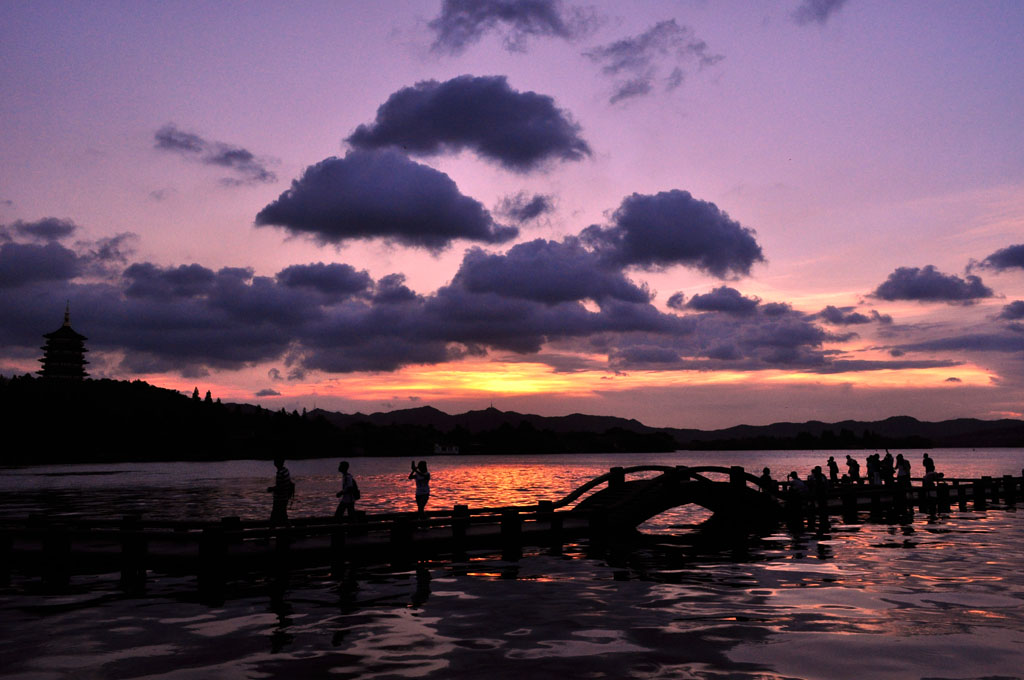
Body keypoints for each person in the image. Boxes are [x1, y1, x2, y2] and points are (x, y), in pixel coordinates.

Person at [267, 458, 295, 525]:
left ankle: (270, 531)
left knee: (274, 516)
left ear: (277, 463)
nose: (274, 461)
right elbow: (288, 483)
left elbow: (280, 487)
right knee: (283, 515)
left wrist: (271, 489)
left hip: (279, 498)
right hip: (285, 497)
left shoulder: (280, 473)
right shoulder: (286, 470)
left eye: (275, 460)